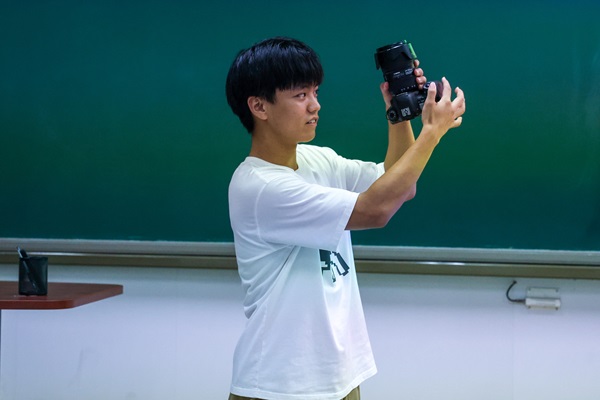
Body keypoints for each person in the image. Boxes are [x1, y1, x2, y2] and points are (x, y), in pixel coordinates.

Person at [225, 37, 465, 400]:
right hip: (281, 384)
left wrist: (399, 115)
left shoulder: (317, 158)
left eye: (315, 92)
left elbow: (399, 185)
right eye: (300, 95)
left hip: (340, 374)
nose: (315, 105)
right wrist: (431, 133)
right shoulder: (259, 186)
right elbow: (375, 210)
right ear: (259, 106)